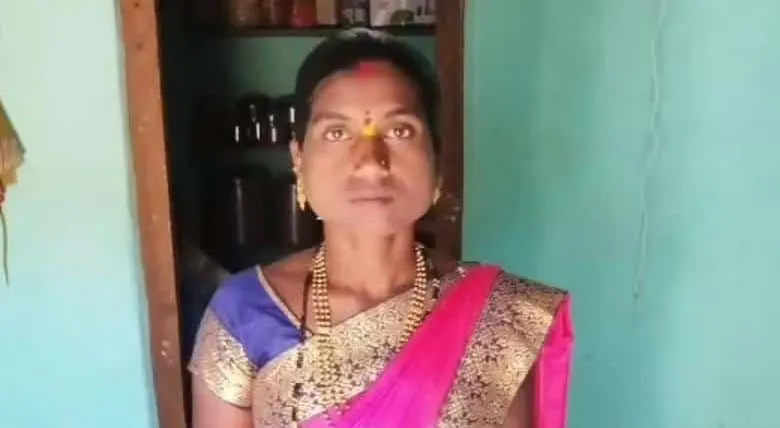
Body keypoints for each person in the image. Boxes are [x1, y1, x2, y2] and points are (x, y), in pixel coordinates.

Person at [188, 28, 574, 428]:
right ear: (299, 159)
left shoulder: (500, 316)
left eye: (400, 131)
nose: (371, 162)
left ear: (437, 159)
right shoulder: (245, 313)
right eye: (337, 133)